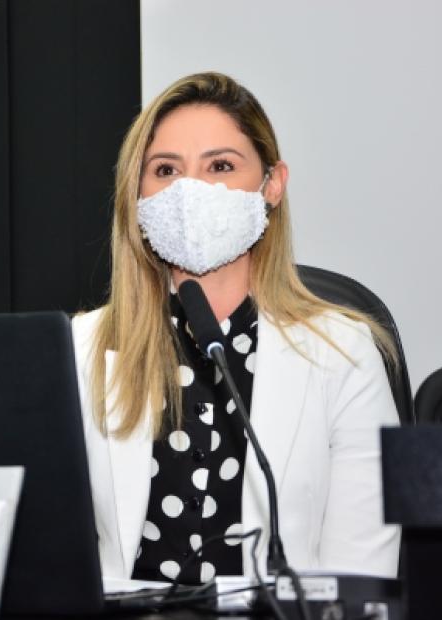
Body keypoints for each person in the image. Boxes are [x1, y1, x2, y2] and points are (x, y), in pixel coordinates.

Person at [71, 72, 400, 584]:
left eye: (220, 166)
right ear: (136, 195)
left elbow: (361, 579)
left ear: (272, 185)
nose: (191, 191)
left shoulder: (344, 352)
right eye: (165, 170)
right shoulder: (79, 350)